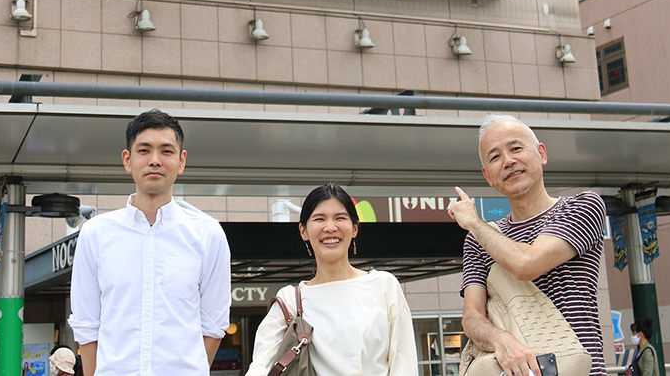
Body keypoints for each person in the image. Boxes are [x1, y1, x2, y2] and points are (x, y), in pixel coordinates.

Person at [68, 109, 231, 376]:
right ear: (127, 160)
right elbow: (86, 325)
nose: (155, 160)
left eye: (166, 151)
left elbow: (214, 325)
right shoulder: (96, 233)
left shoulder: (208, 234)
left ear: (181, 161)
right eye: (144, 150)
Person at [448, 114, 606, 376]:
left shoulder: (582, 206)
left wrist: (475, 223)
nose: (508, 161)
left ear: (541, 153)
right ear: (488, 176)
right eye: (495, 157)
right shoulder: (477, 242)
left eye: (516, 148)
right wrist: (500, 339)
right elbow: (472, 316)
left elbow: (527, 264)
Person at [244, 183, 416, 375]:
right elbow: (260, 366)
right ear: (303, 231)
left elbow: (404, 363)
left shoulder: (384, 286)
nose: (330, 227)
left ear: (354, 229)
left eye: (340, 218)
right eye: (319, 219)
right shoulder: (290, 300)